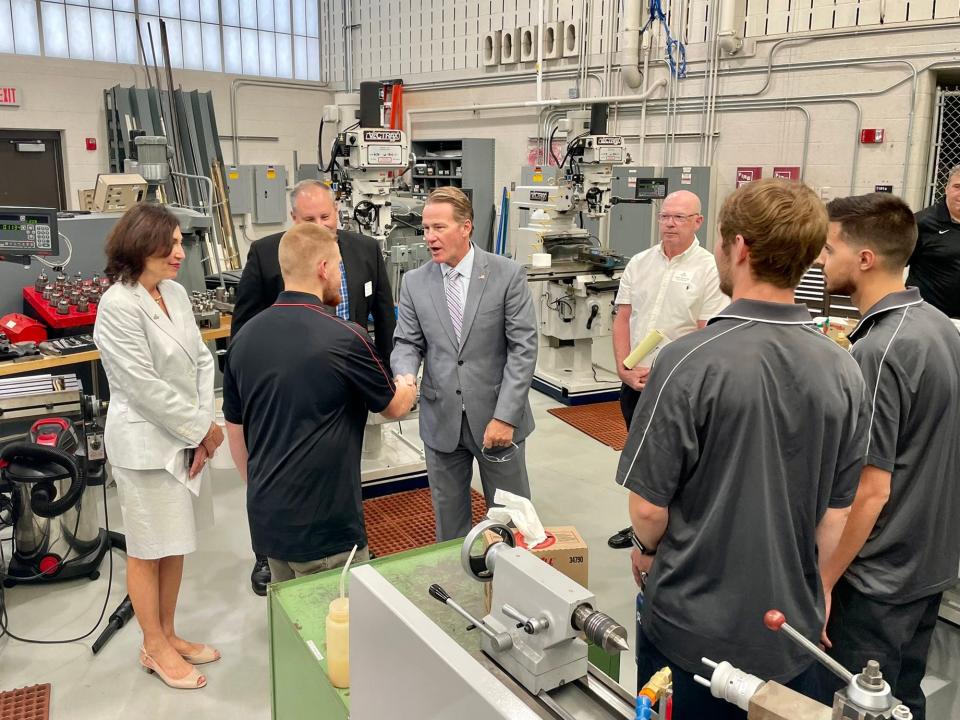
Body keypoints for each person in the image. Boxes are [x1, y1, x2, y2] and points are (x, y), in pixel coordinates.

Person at [618, 179, 868, 720]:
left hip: (690, 631)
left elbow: (648, 507)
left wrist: (642, 548)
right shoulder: (843, 368)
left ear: (739, 249)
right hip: (790, 632)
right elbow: (838, 511)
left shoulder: (686, 361)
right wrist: (816, 596)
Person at [817, 193, 960, 720]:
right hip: (929, 565)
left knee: (861, 706)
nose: (820, 261)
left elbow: (870, 488)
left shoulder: (881, 350)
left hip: (878, 581)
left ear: (865, 259)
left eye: (830, 249)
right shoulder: (939, 326)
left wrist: (825, 580)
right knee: (904, 701)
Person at [222, 223, 416, 583]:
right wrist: (408, 378)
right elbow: (394, 407)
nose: (342, 276)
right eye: (339, 267)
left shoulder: (244, 339)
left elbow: (235, 428)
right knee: (337, 631)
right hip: (326, 530)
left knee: (292, 627)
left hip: (268, 523)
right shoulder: (346, 338)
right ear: (323, 269)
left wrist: (262, 488)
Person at [93, 203, 224, 690]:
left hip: (185, 438)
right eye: (168, 243)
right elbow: (142, 386)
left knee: (175, 542)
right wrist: (201, 429)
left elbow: (201, 361)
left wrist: (203, 425)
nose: (178, 251)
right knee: (148, 550)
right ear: (138, 245)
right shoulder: (118, 305)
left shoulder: (174, 293)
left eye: (178, 242)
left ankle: (168, 632)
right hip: (146, 446)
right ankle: (152, 645)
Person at [391, 186, 538, 542]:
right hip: (441, 421)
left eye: (439, 228)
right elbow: (407, 341)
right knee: (450, 525)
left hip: (497, 422)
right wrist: (406, 374)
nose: (429, 237)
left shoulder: (506, 275)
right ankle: (457, 590)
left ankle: (511, 589)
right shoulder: (414, 282)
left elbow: (523, 349)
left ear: (466, 227)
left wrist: (505, 416)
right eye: (426, 229)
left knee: (511, 520)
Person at [606, 190, 728, 550]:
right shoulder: (639, 263)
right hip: (636, 383)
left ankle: (679, 535)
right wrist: (623, 368)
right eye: (665, 216)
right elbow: (622, 319)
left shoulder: (710, 269)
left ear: (698, 222)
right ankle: (643, 528)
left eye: (679, 217)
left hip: (681, 388)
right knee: (642, 461)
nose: (670, 223)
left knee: (683, 467)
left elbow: (708, 333)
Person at [906, 164, 960, 318]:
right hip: (927, 318)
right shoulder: (920, 223)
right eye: (957, 186)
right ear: (946, 189)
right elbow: (892, 266)